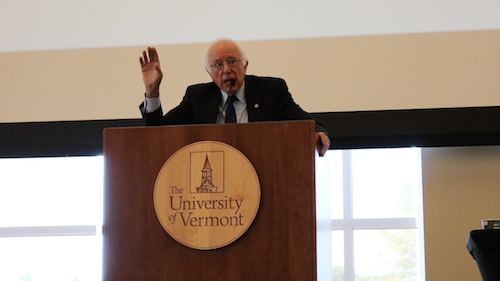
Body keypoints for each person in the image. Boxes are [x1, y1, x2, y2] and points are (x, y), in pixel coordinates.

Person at [139, 38, 330, 156]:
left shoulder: (271, 90)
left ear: (245, 65)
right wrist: (152, 91)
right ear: (209, 72)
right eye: (218, 65)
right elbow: (157, 135)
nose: (226, 70)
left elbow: (307, 123)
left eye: (232, 61)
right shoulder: (197, 97)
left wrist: (319, 132)